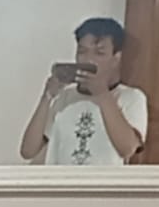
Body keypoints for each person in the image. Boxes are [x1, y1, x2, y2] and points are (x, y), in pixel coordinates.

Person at [20, 17, 147, 166]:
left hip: (104, 180)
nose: (88, 59)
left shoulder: (131, 98)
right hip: (62, 179)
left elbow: (127, 149)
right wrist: (47, 97)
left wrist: (102, 94)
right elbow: (28, 151)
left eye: (99, 53)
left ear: (116, 58)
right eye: (82, 51)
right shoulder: (65, 98)